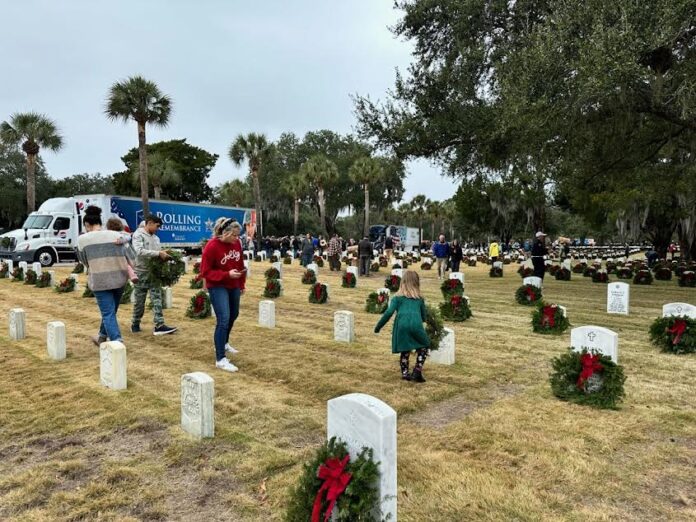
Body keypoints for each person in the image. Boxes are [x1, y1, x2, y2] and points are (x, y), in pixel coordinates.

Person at [77, 206, 133, 346]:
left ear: (87, 224)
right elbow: (131, 256)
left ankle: (117, 342)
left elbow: (84, 261)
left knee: (108, 313)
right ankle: (101, 337)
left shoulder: (83, 239)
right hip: (119, 278)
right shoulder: (117, 236)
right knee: (111, 311)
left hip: (100, 280)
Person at [200, 218, 246, 372]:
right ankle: (220, 358)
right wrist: (226, 274)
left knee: (234, 314)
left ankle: (224, 343)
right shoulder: (212, 246)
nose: (236, 239)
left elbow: (239, 264)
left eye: (238, 236)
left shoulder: (237, 244)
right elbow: (205, 272)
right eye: (234, 235)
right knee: (224, 318)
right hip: (217, 285)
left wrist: (241, 283)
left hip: (233, 284)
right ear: (225, 233)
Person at [374, 271, 430, 383]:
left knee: (405, 349)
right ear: (417, 283)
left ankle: (405, 373)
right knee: (424, 346)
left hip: (401, 326)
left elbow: (388, 313)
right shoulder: (419, 299)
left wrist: (378, 327)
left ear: (402, 282)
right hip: (416, 324)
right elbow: (424, 316)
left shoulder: (397, 298)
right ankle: (417, 371)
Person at [131, 215, 177, 336]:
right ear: (150, 223)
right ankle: (135, 323)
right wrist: (158, 253)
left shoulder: (156, 238)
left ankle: (159, 325)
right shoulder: (138, 235)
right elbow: (139, 251)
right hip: (141, 272)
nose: (158, 229)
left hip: (153, 273)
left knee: (157, 299)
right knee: (139, 302)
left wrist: (164, 255)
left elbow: (158, 255)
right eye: (157, 226)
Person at [106, 218, 138, 283]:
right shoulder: (125, 233)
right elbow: (129, 236)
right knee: (127, 264)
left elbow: (128, 237)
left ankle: (132, 275)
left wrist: (121, 240)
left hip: (118, 253)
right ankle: (132, 275)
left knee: (126, 264)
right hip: (126, 253)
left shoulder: (121, 234)